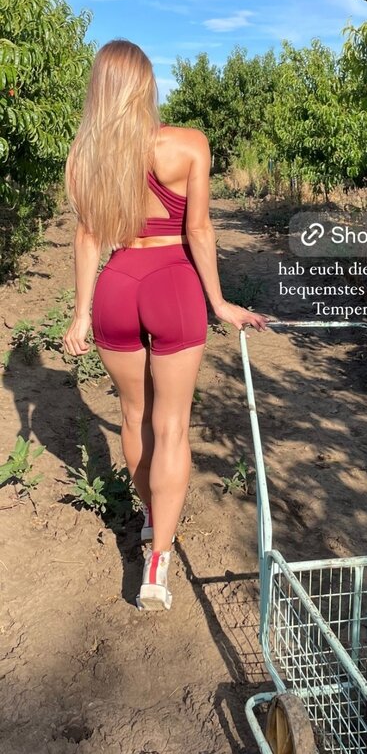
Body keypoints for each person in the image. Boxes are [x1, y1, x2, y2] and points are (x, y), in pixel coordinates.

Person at [62, 39, 268, 612]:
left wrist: (80, 314)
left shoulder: (85, 155)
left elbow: (87, 237)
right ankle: (158, 564)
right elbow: (198, 230)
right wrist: (219, 302)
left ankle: (151, 516)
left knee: (134, 416)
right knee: (172, 426)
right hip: (173, 286)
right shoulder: (188, 144)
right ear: (146, 85)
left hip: (116, 288)